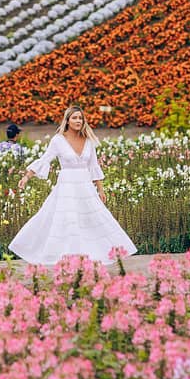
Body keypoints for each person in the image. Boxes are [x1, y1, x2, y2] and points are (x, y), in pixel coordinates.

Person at [10, 104, 136, 264]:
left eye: (80, 118)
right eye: (75, 118)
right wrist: (27, 177)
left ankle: (94, 254)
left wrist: (100, 189)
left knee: (92, 219)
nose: (78, 121)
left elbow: (93, 166)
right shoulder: (58, 140)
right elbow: (45, 159)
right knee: (66, 220)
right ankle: (63, 256)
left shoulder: (88, 140)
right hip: (66, 187)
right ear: (67, 120)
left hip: (85, 187)